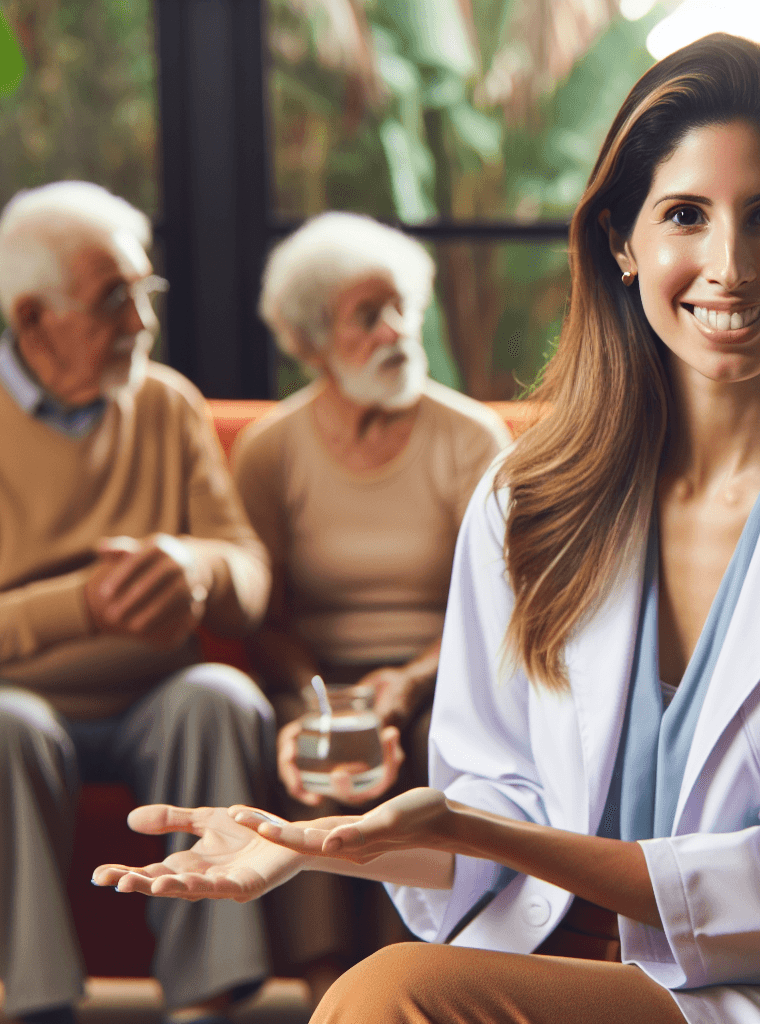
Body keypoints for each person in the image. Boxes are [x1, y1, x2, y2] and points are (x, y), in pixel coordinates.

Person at [95, 33, 760, 1024]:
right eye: (684, 214)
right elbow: (497, 806)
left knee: (390, 997)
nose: (727, 265)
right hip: (567, 964)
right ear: (621, 241)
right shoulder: (527, 499)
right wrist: (322, 841)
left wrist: (501, 841)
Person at [0, 181, 275, 1024]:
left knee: (222, 698)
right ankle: (43, 1005)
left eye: (143, 291)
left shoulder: (169, 406)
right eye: (112, 301)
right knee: (2, 729)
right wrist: (80, 606)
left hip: (148, 699)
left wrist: (196, 567)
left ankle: (211, 996)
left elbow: (249, 572)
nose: (141, 323)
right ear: (31, 319)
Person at [233, 211, 511, 994]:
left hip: (443, 668)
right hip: (313, 671)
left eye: (402, 308)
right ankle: (329, 988)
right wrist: (320, 698)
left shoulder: (470, 438)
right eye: (367, 316)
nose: (396, 330)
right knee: (315, 746)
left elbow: (498, 608)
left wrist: (409, 682)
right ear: (311, 341)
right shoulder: (270, 452)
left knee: (437, 737)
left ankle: (414, 980)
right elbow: (266, 619)